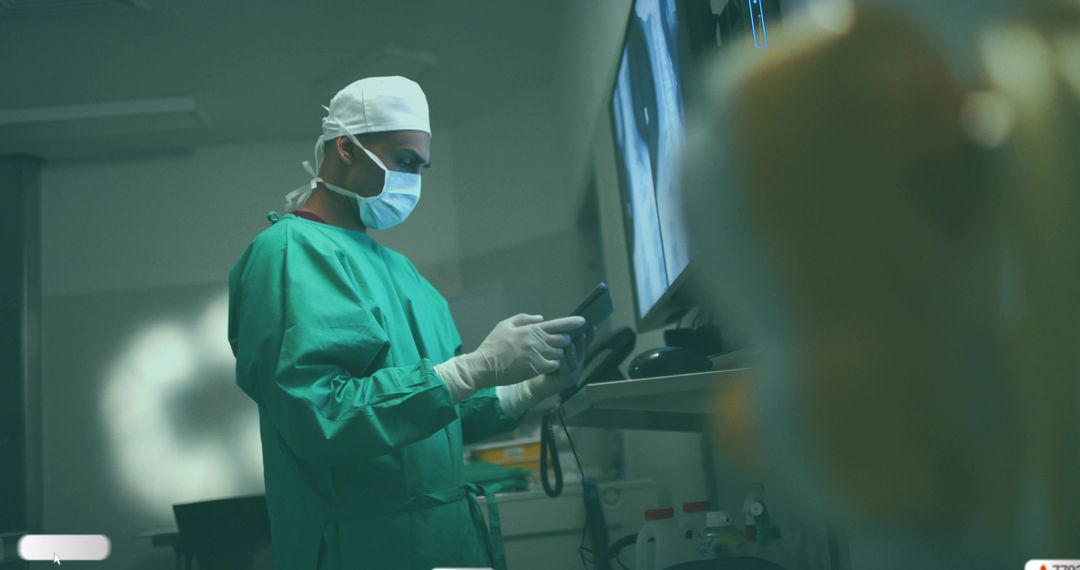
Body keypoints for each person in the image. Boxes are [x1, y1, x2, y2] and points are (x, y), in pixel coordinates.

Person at [227, 76, 589, 570]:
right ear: (346, 149)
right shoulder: (289, 254)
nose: (412, 181)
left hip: (448, 542)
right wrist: (473, 368)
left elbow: (436, 414)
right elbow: (318, 416)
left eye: (420, 168)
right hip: (362, 549)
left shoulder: (405, 274)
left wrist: (528, 389)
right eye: (403, 162)